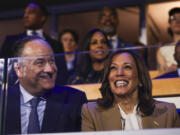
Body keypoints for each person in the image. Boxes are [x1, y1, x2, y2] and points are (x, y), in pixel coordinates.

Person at [4, 36, 87, 134]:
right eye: (40, 63)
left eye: (52, 61)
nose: (50, 69)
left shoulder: (74, 100)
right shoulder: (3, 100)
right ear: (19, 69)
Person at [81, 50, 180, 131]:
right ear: (108, 78)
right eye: (113, 68)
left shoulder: (168, 112)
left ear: (140, 78)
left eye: (127, 67)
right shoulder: (91, 113)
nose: (119, 73)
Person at [156, 7, 180, 72]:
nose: (178, 21)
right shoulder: (162, 50)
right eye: (173, 18)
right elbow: (162, 73)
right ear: (169, 23)